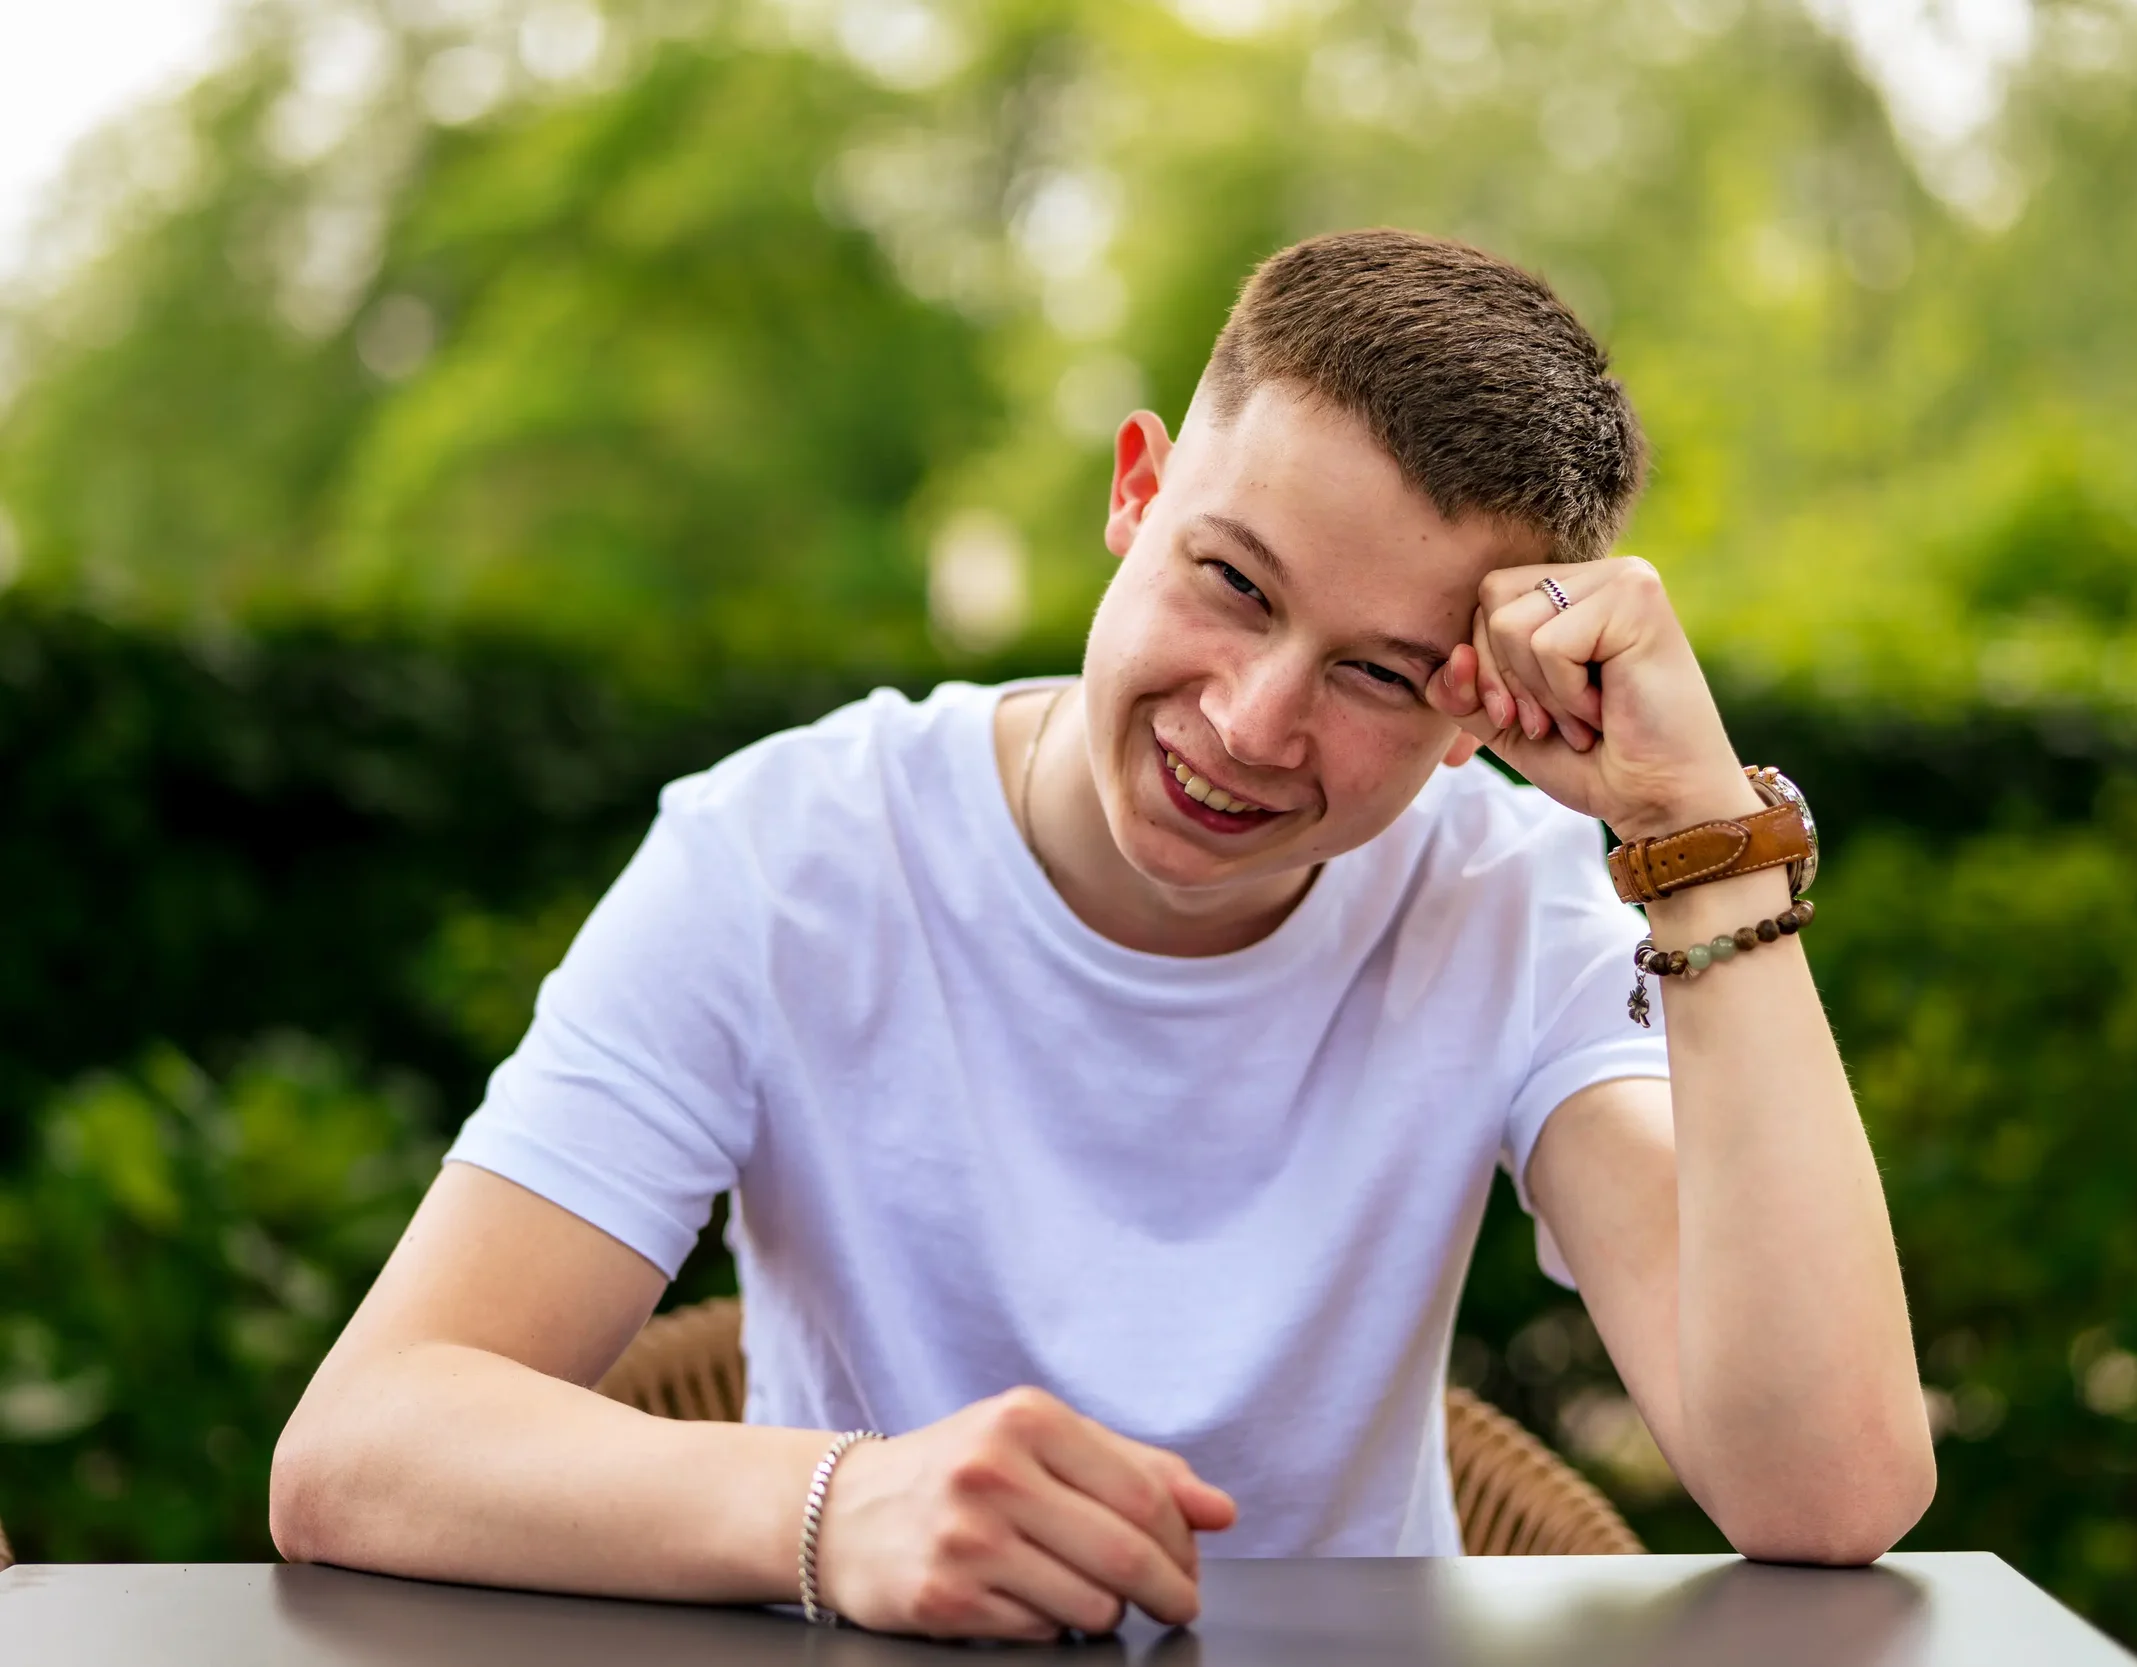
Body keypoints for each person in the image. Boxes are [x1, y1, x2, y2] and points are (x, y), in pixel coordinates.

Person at [270, 229, 1934, 1639]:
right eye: (1234, 581)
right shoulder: (784, 856)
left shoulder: (1508, 896)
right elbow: (359, 1446)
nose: (1255, 720)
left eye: (1378, 672)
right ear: (1138, 491)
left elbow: (1832, 1483)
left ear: (1477, 715)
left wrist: (1696, 841)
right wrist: (835, 1504)